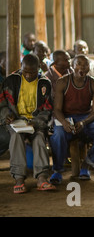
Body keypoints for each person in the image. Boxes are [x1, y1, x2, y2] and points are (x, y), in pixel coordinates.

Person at [49, 54, 94, 183]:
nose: (82, 67)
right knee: (57, 135)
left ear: (89, 67)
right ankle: (57, 171)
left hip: (86, 117)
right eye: (78, 64)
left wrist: (84, 122)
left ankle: (87, 165)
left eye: (85, 65)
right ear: (72, 66)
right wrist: (64, 122)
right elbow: (56, 109)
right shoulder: (63, 82)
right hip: (66, 117)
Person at [0, 54, 55, 193]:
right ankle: (19, 178)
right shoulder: (11, 81)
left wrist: (36, 122)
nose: (29, 75)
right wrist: (7, 115)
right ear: (21, 68)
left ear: (39, 69)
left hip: (35, 122)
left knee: (39, 138)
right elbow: (3, 104)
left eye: (33, 72)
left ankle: (42, 177)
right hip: (16, 121)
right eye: (26, 72)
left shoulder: (44, 83)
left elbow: (47, 109)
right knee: (16, 137)